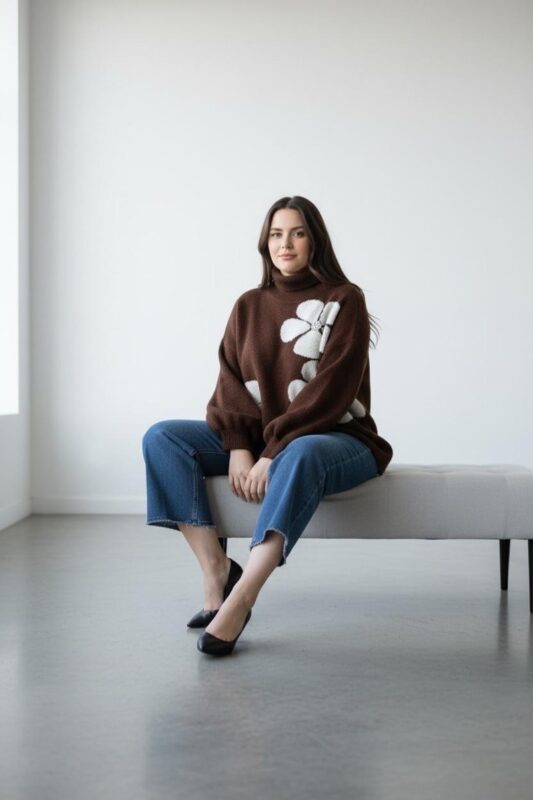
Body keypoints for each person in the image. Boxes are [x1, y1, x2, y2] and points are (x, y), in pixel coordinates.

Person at [142, 195, 393, 657]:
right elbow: (229, 380)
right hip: (265, 439)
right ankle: (217, 571)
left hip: (339, 438)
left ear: (315, 241)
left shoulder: (344, 299)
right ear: (265, 243)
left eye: (297, 233)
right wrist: (240, 446)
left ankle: (242, 599)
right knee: (163, 438)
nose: (285, 244)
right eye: (276, 234)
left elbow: (331, 392)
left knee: (302, 451)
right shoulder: (249, 304)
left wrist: (272, 451)